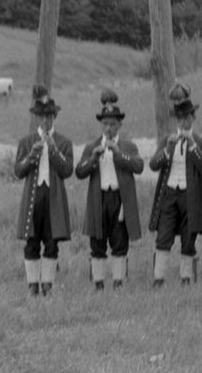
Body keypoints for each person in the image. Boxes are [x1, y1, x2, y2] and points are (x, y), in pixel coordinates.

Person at [73, 88, 144, 291]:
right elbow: (79, 172)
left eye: (113, 124)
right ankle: (98, 282)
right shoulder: (92, 146)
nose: (109, 128)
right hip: (99, 198)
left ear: (120, 125)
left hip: (120, 199)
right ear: (101, 125)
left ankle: (119, 282)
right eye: (105, 124)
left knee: (119, 241)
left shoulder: (128, 147)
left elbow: (138, 167)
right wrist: (93, 158)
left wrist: (118, 153)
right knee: (97, 241)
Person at [147, 84, 202, 287]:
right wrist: (167, 151)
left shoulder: (201, 142)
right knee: (163, 236)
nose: (184, 122)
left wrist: (192, 145)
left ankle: (186, 279)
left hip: (190, 196)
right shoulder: (168, 140)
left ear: (193, 118)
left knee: (188, 237)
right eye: (180, 118)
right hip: (169, 194)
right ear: (175, 119)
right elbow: (153, 164)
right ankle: (158, 279)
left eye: (187, 117)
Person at [13, 86, 73, 296]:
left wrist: (54, 150)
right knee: (32, 242)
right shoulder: (27, 141)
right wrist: (31, 156)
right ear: (37, 118)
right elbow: (18, 172)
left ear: (55, 116)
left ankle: (48, 285)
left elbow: (67, 171)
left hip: (54, 199)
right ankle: (32, 286)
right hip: (33, 197)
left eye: (49, 116)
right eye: (42, 116)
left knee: (51, 241)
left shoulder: (64, 142)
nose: (46, 120)